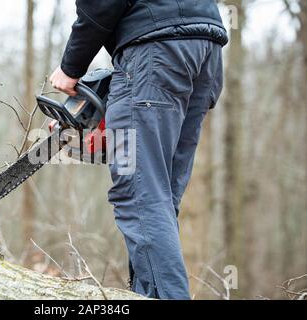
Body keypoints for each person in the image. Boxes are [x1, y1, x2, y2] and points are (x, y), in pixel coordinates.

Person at [50, 0, 228, 299]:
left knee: (140, 194)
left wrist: (71, 66)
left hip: (156, 54)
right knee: (161, 195)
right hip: (204, 51)